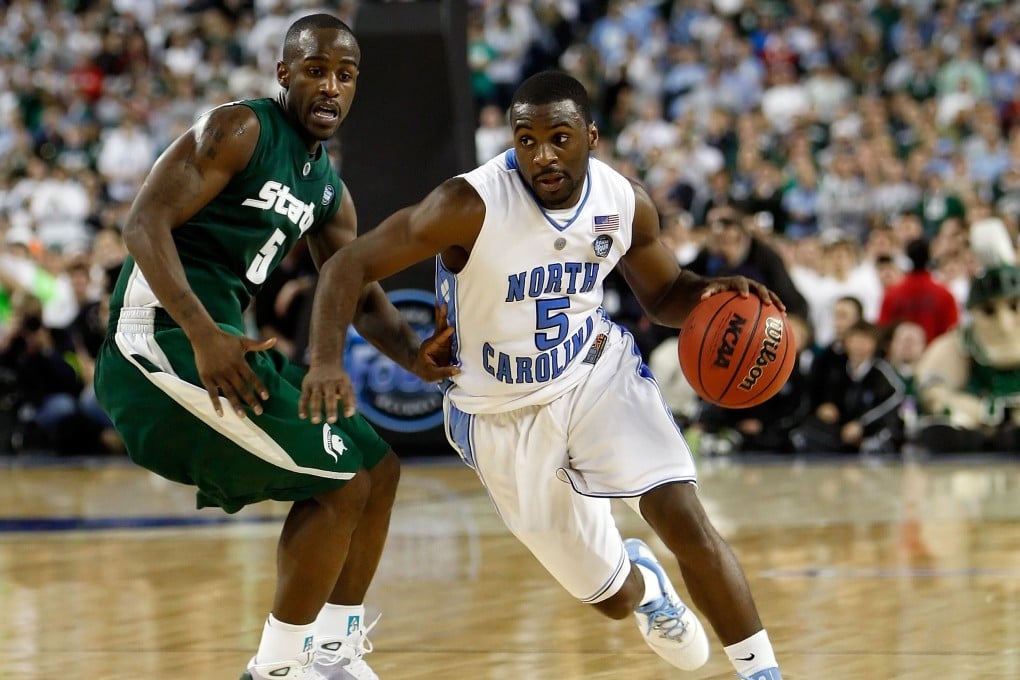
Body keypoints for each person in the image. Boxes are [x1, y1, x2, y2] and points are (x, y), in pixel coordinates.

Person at [301, 71, 784, 680]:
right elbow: (347, 265)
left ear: (592, 136)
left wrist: (713, 295)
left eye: (559, 138)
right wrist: (339, 359)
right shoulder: (468, 204)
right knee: (609, 599)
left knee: (683, 516)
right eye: (526, 140)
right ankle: (645, 586)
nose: (542, 155)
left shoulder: (623, 201)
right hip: (497, 411)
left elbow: (665, 296)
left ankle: (763, 671)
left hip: (593, 374)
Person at [93, 14, 457, 680]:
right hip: (158, 342)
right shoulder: (241, 128)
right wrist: (204, 332)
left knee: (379, 472)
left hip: (225, 344)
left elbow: (359, 291)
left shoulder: (327, 190)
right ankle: (277, 670)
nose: (331, 87)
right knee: (341, 484)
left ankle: (336, 655)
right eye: (316, 69)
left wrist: (415, 356)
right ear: (284, 73)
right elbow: (143, 222)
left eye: (345, 75)